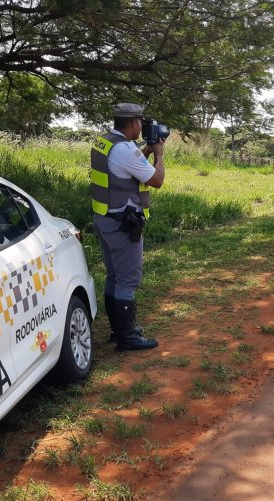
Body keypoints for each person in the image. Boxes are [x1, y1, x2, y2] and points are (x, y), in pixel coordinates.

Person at [90, 102, 165, 351]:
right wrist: (159, 155)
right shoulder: (124, 149)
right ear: (133, 123)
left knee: (114, 276)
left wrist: (144, 151)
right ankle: (127, 338)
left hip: (105, 217)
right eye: (140, 123)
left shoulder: (105, 142)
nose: (141, 127)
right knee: (128, 279)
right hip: (122, 222)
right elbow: (156, 180)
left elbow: (127, 168)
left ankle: (119, 329)